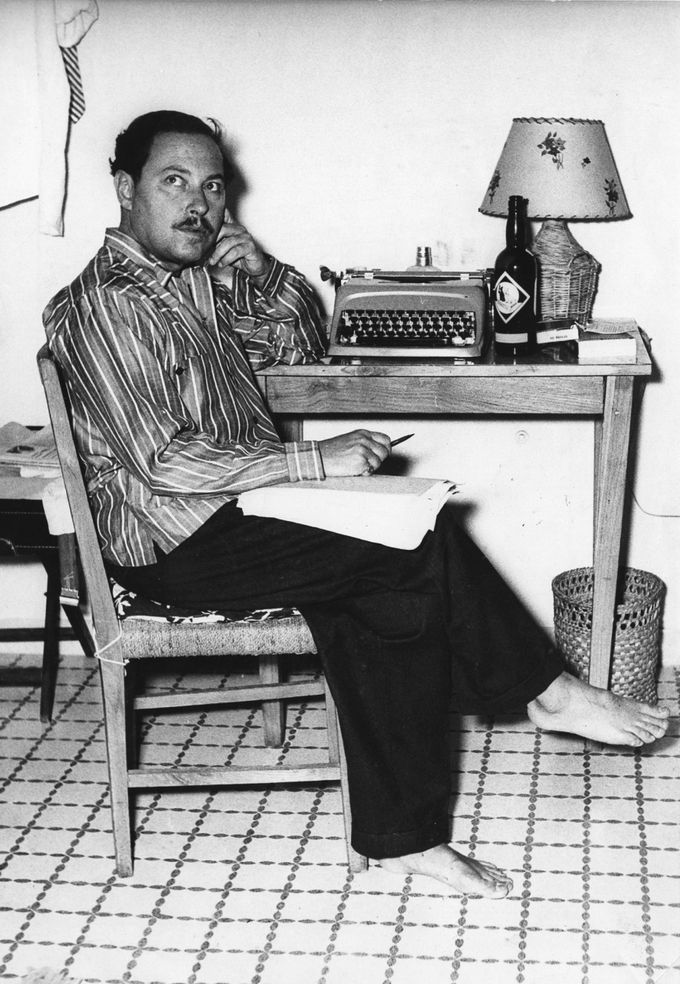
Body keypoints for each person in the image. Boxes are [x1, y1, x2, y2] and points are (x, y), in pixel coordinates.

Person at [43, 111, 669, 899]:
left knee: (391, 584)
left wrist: (266, 271)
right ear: (126, 189)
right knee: (416, 544)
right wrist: (315, 459)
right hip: (174, 543)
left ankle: (407, 839)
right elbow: (165, 461)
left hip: (239, 511)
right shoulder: (108, 302)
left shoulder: (189, 283)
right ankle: (544, 692)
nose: (198, 204)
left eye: (211, 186)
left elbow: (302, 338)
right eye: (175, 182)